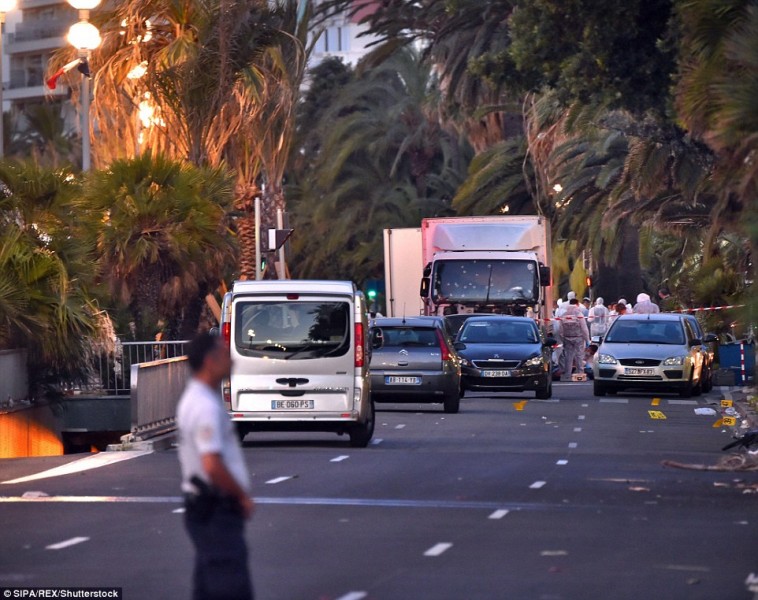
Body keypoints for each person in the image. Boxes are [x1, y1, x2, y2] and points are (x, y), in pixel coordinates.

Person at [177, 332, 255, 600]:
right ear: (210, 361)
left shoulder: (197, 398)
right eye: (224, 352)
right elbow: (211, 464)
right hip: (216, 509)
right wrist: (240, 495)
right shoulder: (204, 406)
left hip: (205, 507)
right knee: (229, 586)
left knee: (208, 587)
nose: (230, 357)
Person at [560, 298, 590, 380]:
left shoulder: (564, 314)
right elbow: (584, 328)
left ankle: (567, 374)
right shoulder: (579, 314)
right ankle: (580, 373)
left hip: (567, 338)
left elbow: (560, 329)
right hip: (578, 338)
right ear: (577, 304)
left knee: (568, 357)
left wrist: (562, 338)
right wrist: (587, 339)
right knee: (579, 356)